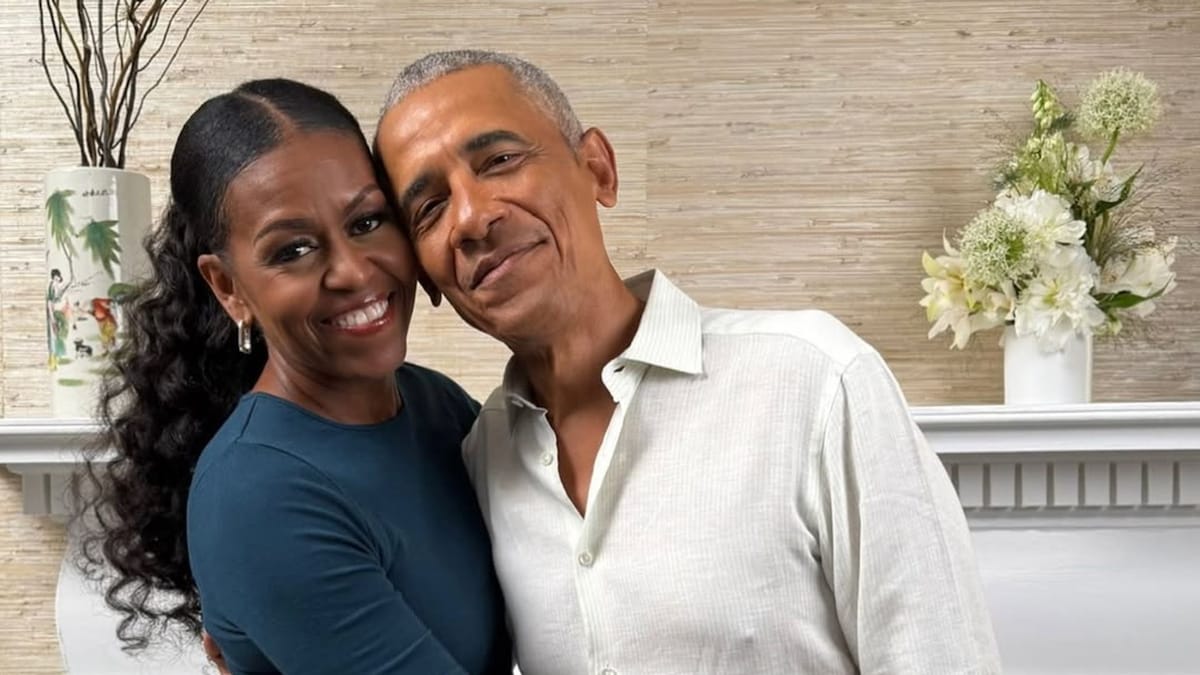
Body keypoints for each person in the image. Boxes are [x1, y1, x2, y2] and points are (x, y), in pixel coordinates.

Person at [372, 50, 1003, 674]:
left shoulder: (814, 380)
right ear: (425, 278)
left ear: (598, 170)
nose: (471, 217)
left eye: (500, 161)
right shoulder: (481, 459)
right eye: (429, 208)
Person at [74, 78, 511, 674]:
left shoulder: (438, 405)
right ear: (228, 287)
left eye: (367, 222)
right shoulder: (257, 493)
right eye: (293, 250)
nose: (353, 272)